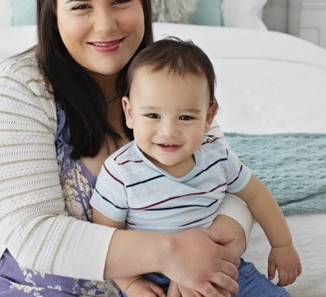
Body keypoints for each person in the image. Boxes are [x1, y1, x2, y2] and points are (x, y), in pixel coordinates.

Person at [0, 0, 255, 297]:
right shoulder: (16, 91)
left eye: (121, 1)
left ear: (144, 3)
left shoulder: (166, 79)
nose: (105, 25)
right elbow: (32, 234)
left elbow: (228, 185)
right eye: (81, 6)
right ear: (53, 13)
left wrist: (213, 254)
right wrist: (172, 252)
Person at [90, 37, 302, 297]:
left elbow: (256, 194)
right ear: (130, 112)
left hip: (219, 266)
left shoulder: (217, 157)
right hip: (153, 277)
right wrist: (130, 284)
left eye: (186, 117)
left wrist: (282, 244)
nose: (168, 132)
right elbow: (106, 239)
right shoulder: (121, 172)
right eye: (153, 115)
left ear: (208, 117)